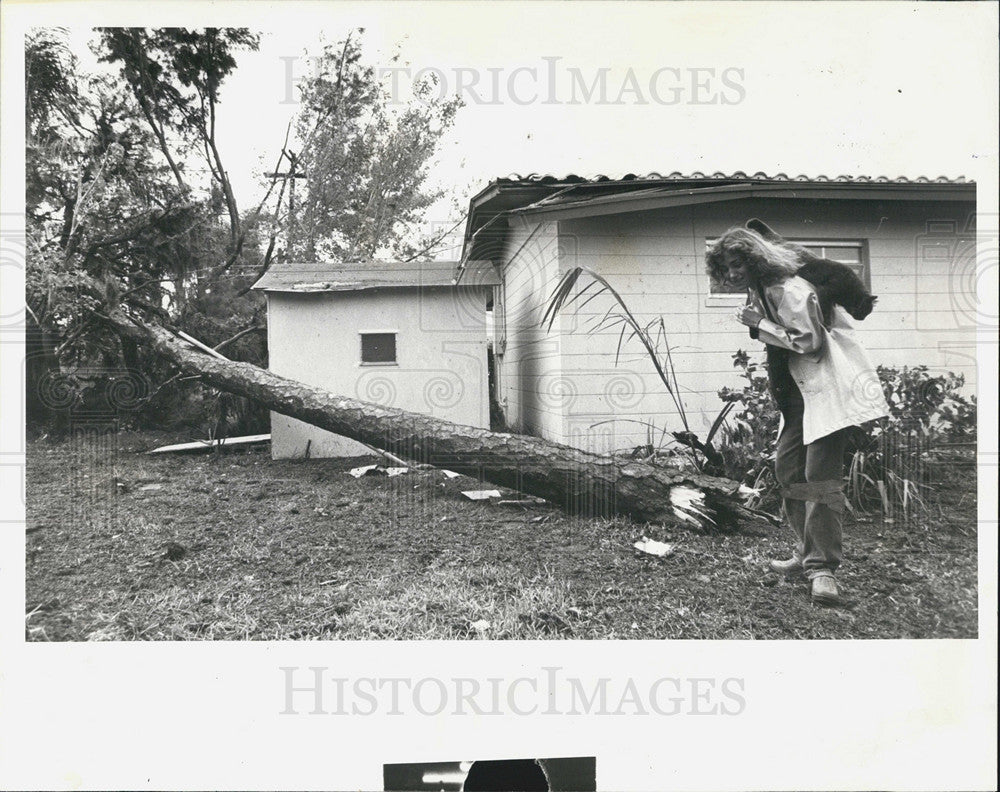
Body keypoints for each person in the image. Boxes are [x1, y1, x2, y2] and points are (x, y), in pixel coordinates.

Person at [705, 225, 889, 606]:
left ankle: (823, 570)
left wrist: (760, 326)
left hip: (827, 388)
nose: (733, 273)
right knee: (789, 471)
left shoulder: (789, 289)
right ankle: (806, 554)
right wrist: (763, 325)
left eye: (738, 264)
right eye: (726, 267)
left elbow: (810, 341)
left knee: (820, 478)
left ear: (754, 260)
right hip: (799, 397)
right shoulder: (761, 288)